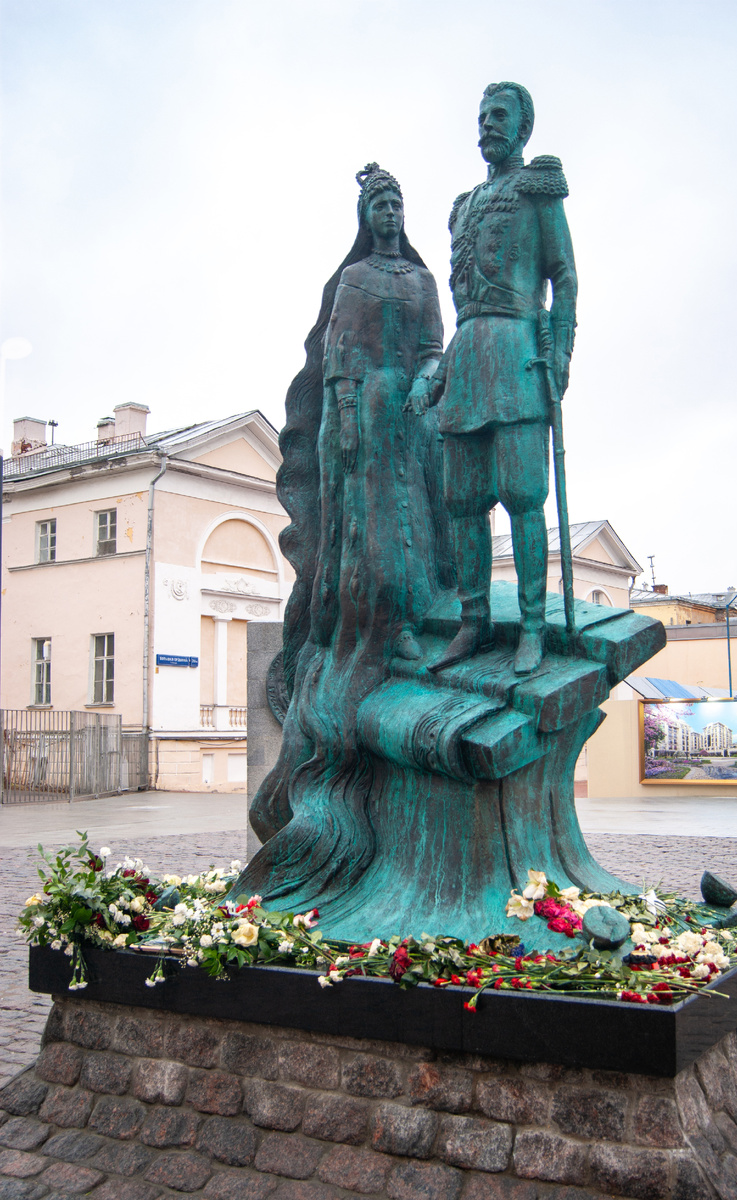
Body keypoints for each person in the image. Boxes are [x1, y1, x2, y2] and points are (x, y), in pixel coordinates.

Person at [238, 165, 453, 905]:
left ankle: (418, 620)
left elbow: (432, 344)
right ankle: (361, 632)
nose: (389, 212)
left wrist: (431, 380)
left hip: (407, 413)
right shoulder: (355, 277)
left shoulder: (421, 284)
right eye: (379, 203)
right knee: (365, 540)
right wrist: (347, 418)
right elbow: (333, 358)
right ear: (367, 215)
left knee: (418, 526)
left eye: (397, 201)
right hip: (356, 414)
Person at [427, 81, 578, 676]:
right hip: (467, 356)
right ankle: (474, 620)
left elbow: (563, 275)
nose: (488, 124)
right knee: (462, 501)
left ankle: (534, 626)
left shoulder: (539, 190)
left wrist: (561, 353)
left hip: (518, 351)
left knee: (522, 495)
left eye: (499, 116)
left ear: (522, 128)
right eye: (482, 115)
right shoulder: (462, 205)